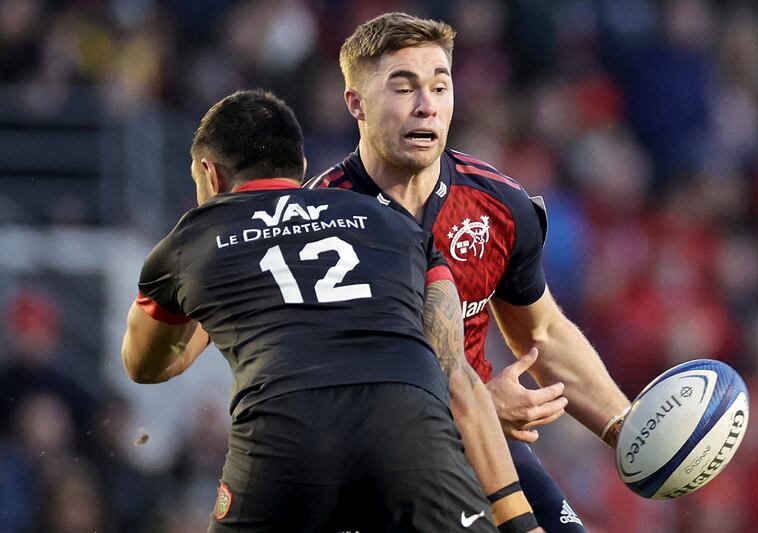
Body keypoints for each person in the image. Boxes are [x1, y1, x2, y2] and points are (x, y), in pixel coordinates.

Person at [120, 89, 541, 532]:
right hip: (408, 422)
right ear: (301, 169)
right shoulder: (393, 223)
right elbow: (455, 373)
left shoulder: (190, 240)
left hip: (284, 429)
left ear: (209, 175)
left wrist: (214, 307)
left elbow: (144, 364)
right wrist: (521, 522)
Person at [305, 12, 632, 531]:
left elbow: (541, 331)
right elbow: (327, 391)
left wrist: (629, 430)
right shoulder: (310, 225)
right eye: (404, 87)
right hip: (357, 468)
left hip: (481, 440)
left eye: (440, 85)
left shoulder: (499, 204)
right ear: (356, 103)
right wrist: (470, 406)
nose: (426, 105)